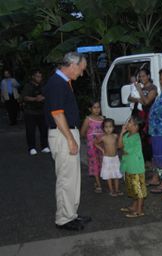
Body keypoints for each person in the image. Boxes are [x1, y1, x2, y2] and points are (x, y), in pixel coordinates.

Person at [44, 52, 90, 231]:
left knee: (73, 178)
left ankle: (71, 214)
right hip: (63, 135)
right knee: (66, 178)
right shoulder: (57, 83)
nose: (82, 73)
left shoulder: (63, 82)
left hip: (67, 133)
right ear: (73, 65)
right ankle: (63, 218)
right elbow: (57, 114)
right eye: (82, 69)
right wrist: (70, 140)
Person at [118, 115, 147, 218]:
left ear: (136, 127)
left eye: (129, 122)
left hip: (136, 168)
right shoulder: (127, 135)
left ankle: (139, 210)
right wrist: (121, 133)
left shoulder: (136, 138)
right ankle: (134, 207)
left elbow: (125, 150)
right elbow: (120, 146)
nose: (127, 123)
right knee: (133, 189)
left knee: (139, 190)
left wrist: (124, 150)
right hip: (129, 167)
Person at [129, 68, 158, 166]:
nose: (141, 78)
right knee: (137, 137)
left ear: (148, 76)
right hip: (137, 116)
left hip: (147, 117)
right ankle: (139, 159)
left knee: (146, 139)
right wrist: (139, 98)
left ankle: (148, 161)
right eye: (140, 76)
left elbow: (147, 102)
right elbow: (129, 98)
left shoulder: (153, 88)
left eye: (143, 76)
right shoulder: (138, 85)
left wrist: (139, 91)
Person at [21, 69, 50, 155]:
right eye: (37, 76)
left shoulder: (43, 85)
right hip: (30, 112)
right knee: (30, 131)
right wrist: (35, 99)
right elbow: (24, 97)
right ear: (33, 77)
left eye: (40, 76)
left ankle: (44, 146)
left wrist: (43, 97)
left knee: (44, 130)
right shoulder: (28, 86)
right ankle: (32, 147)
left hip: (41, 111)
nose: (39, 78)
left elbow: (47, 94)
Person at [94, 118, 123, 197]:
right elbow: (95, 143)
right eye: (106, 127)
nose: (108, 129)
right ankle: (111, 191)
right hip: (107, 159)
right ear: (103, 128)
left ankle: (117, 190)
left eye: (110, 127)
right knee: (109, 175)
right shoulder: (103, 137)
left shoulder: (115, 136)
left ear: (113, 127)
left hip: (115, 158)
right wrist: (102, 150)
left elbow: (120, 144)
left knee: (116, 174)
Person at [80, 100, 104, 193]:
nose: (97, 109)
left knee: (101, 162)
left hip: (101, 144)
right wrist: (90, 137)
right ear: (90, 109)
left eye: (98, 107)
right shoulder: (88, 119)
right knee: (94, 163)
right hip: (92, 146)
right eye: (94, 107)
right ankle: (98, 184)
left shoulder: (103, 118)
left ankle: (99, 179)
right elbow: (82, 132)